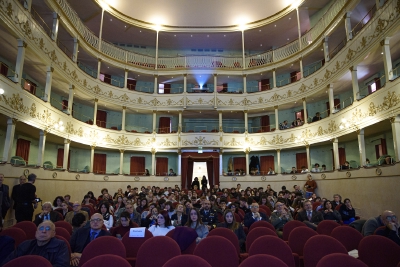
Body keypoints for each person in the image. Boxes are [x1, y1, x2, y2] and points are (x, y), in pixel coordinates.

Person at [0, 221, 69, 267]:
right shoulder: (25, 244)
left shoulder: (60, 245)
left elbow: (62, 265)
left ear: (53, 234)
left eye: (48, 229)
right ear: (36, 233)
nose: (43, 231)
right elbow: (9, 262)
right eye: (41, 228)